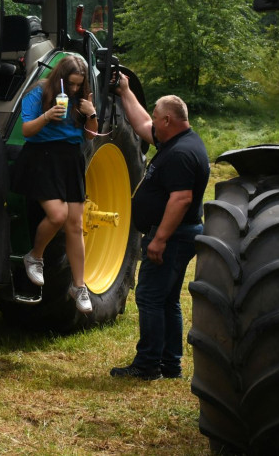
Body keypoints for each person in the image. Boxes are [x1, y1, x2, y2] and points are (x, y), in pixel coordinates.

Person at [109, 74, 210, 380]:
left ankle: (148, 364)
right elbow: (141, 124)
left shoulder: (181, 154)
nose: (152, 122)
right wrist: (125, 91)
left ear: (168, 119)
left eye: (156, 117)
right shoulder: (178, 139)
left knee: (150, 298)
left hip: (173, 237)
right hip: (179, 235)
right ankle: (170, 363)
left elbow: (181, 199)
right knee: (166, 299)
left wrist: (160, 239)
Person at [13, 54, 99, 313]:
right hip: (42, 158)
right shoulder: (39, 93)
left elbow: (91, 135)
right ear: (60, 78)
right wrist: (49, 115)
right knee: (58, 215)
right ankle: (35, 256)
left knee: (75, 224)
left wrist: (91, 113)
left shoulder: (81, 98)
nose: (73, 89)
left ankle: (78, 285)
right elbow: (26, 130)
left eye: (78, 85)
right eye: (70, 84)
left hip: (70, 159)